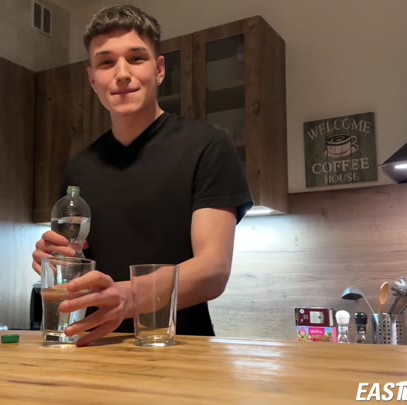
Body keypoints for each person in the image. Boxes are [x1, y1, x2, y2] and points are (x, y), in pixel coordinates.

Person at [31, 4, 253, 347]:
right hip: (94, 348)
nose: (122, 74)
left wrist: (126, 297)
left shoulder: (208, 147)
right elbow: (75, 261)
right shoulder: (79, 168)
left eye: (136, 58)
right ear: (92, 79)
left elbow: (212, 271)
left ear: (159, 69)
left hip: (181, 349)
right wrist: (55, 260)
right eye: (106, 62)